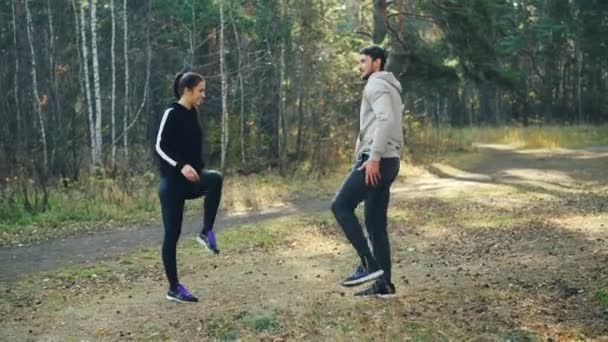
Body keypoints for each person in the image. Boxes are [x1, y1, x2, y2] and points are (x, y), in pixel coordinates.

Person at [331, 45, 404, 298]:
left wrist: (372, 158)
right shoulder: (391, 87)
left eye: (364, 61)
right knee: (375, 224)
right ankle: (384, 285)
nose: (360, 65)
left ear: (377, 63)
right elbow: (386, 122)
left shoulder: (375, 84)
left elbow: (385, 121)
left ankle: (368, 265)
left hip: (379, 159)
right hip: (390, 160)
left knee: (340, 206)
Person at [155, 72, 223, 303]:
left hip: (191, 180)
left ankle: (206, 232)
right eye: (200, 90)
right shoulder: (171, 113)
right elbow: (160, 147)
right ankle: (174, 287)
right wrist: (181, 165)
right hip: (172, 184)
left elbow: (193, 148)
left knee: (214, 179)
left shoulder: (193, 113)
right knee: (172, 234)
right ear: (187, 90)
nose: (204, 94)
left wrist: (196, 167)